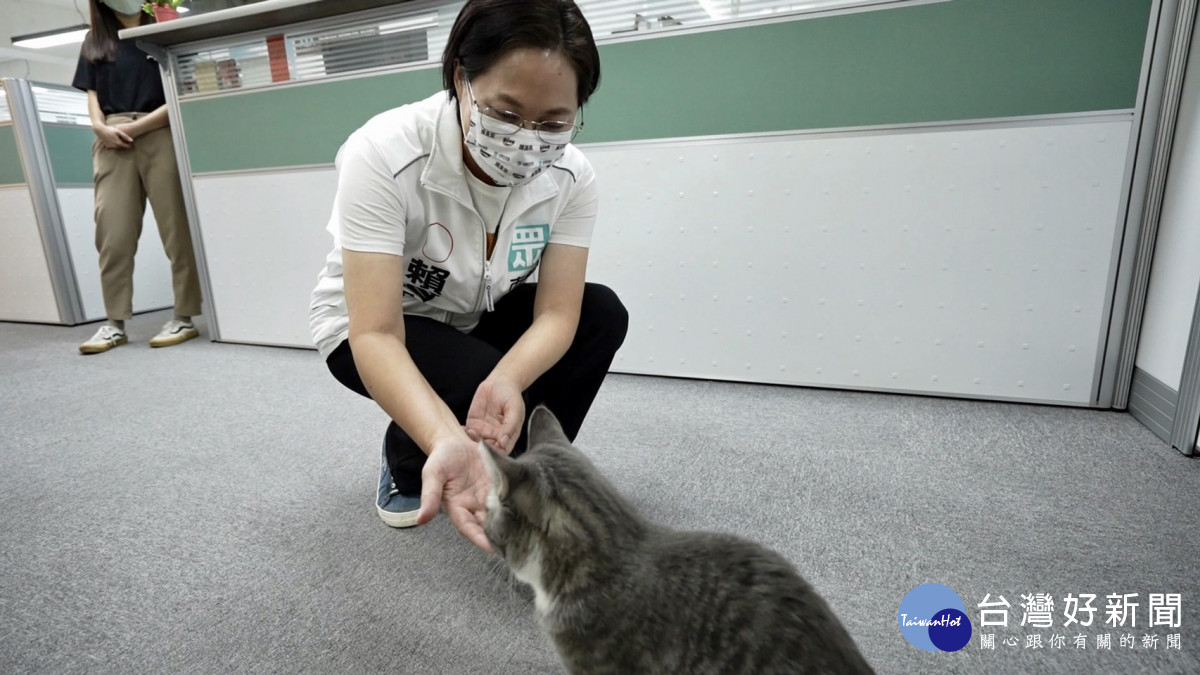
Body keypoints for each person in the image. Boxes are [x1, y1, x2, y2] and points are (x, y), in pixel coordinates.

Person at [310, 0, 627, 551]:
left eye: (553, 121)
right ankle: (410, 458)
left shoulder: (573, 176)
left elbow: (558, 312)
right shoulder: (383, 152)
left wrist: (508, 380)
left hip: (471, 311)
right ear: (461, 77)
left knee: (601, 315)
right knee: (471, 373)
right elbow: (375, 333)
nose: (528, 139)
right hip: (371, 328)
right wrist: (443, 435)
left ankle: (528, 470)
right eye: (506, 113)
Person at [73, 0, 202, 355]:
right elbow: (93, 95)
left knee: (177, 230)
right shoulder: (95, 39)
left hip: (159, 131)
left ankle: (184, 316)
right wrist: (100, 128)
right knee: (112, 234)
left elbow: (180, 90)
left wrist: (140, 126)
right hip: (112, 140)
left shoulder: (163, 27)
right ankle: (114, 323)